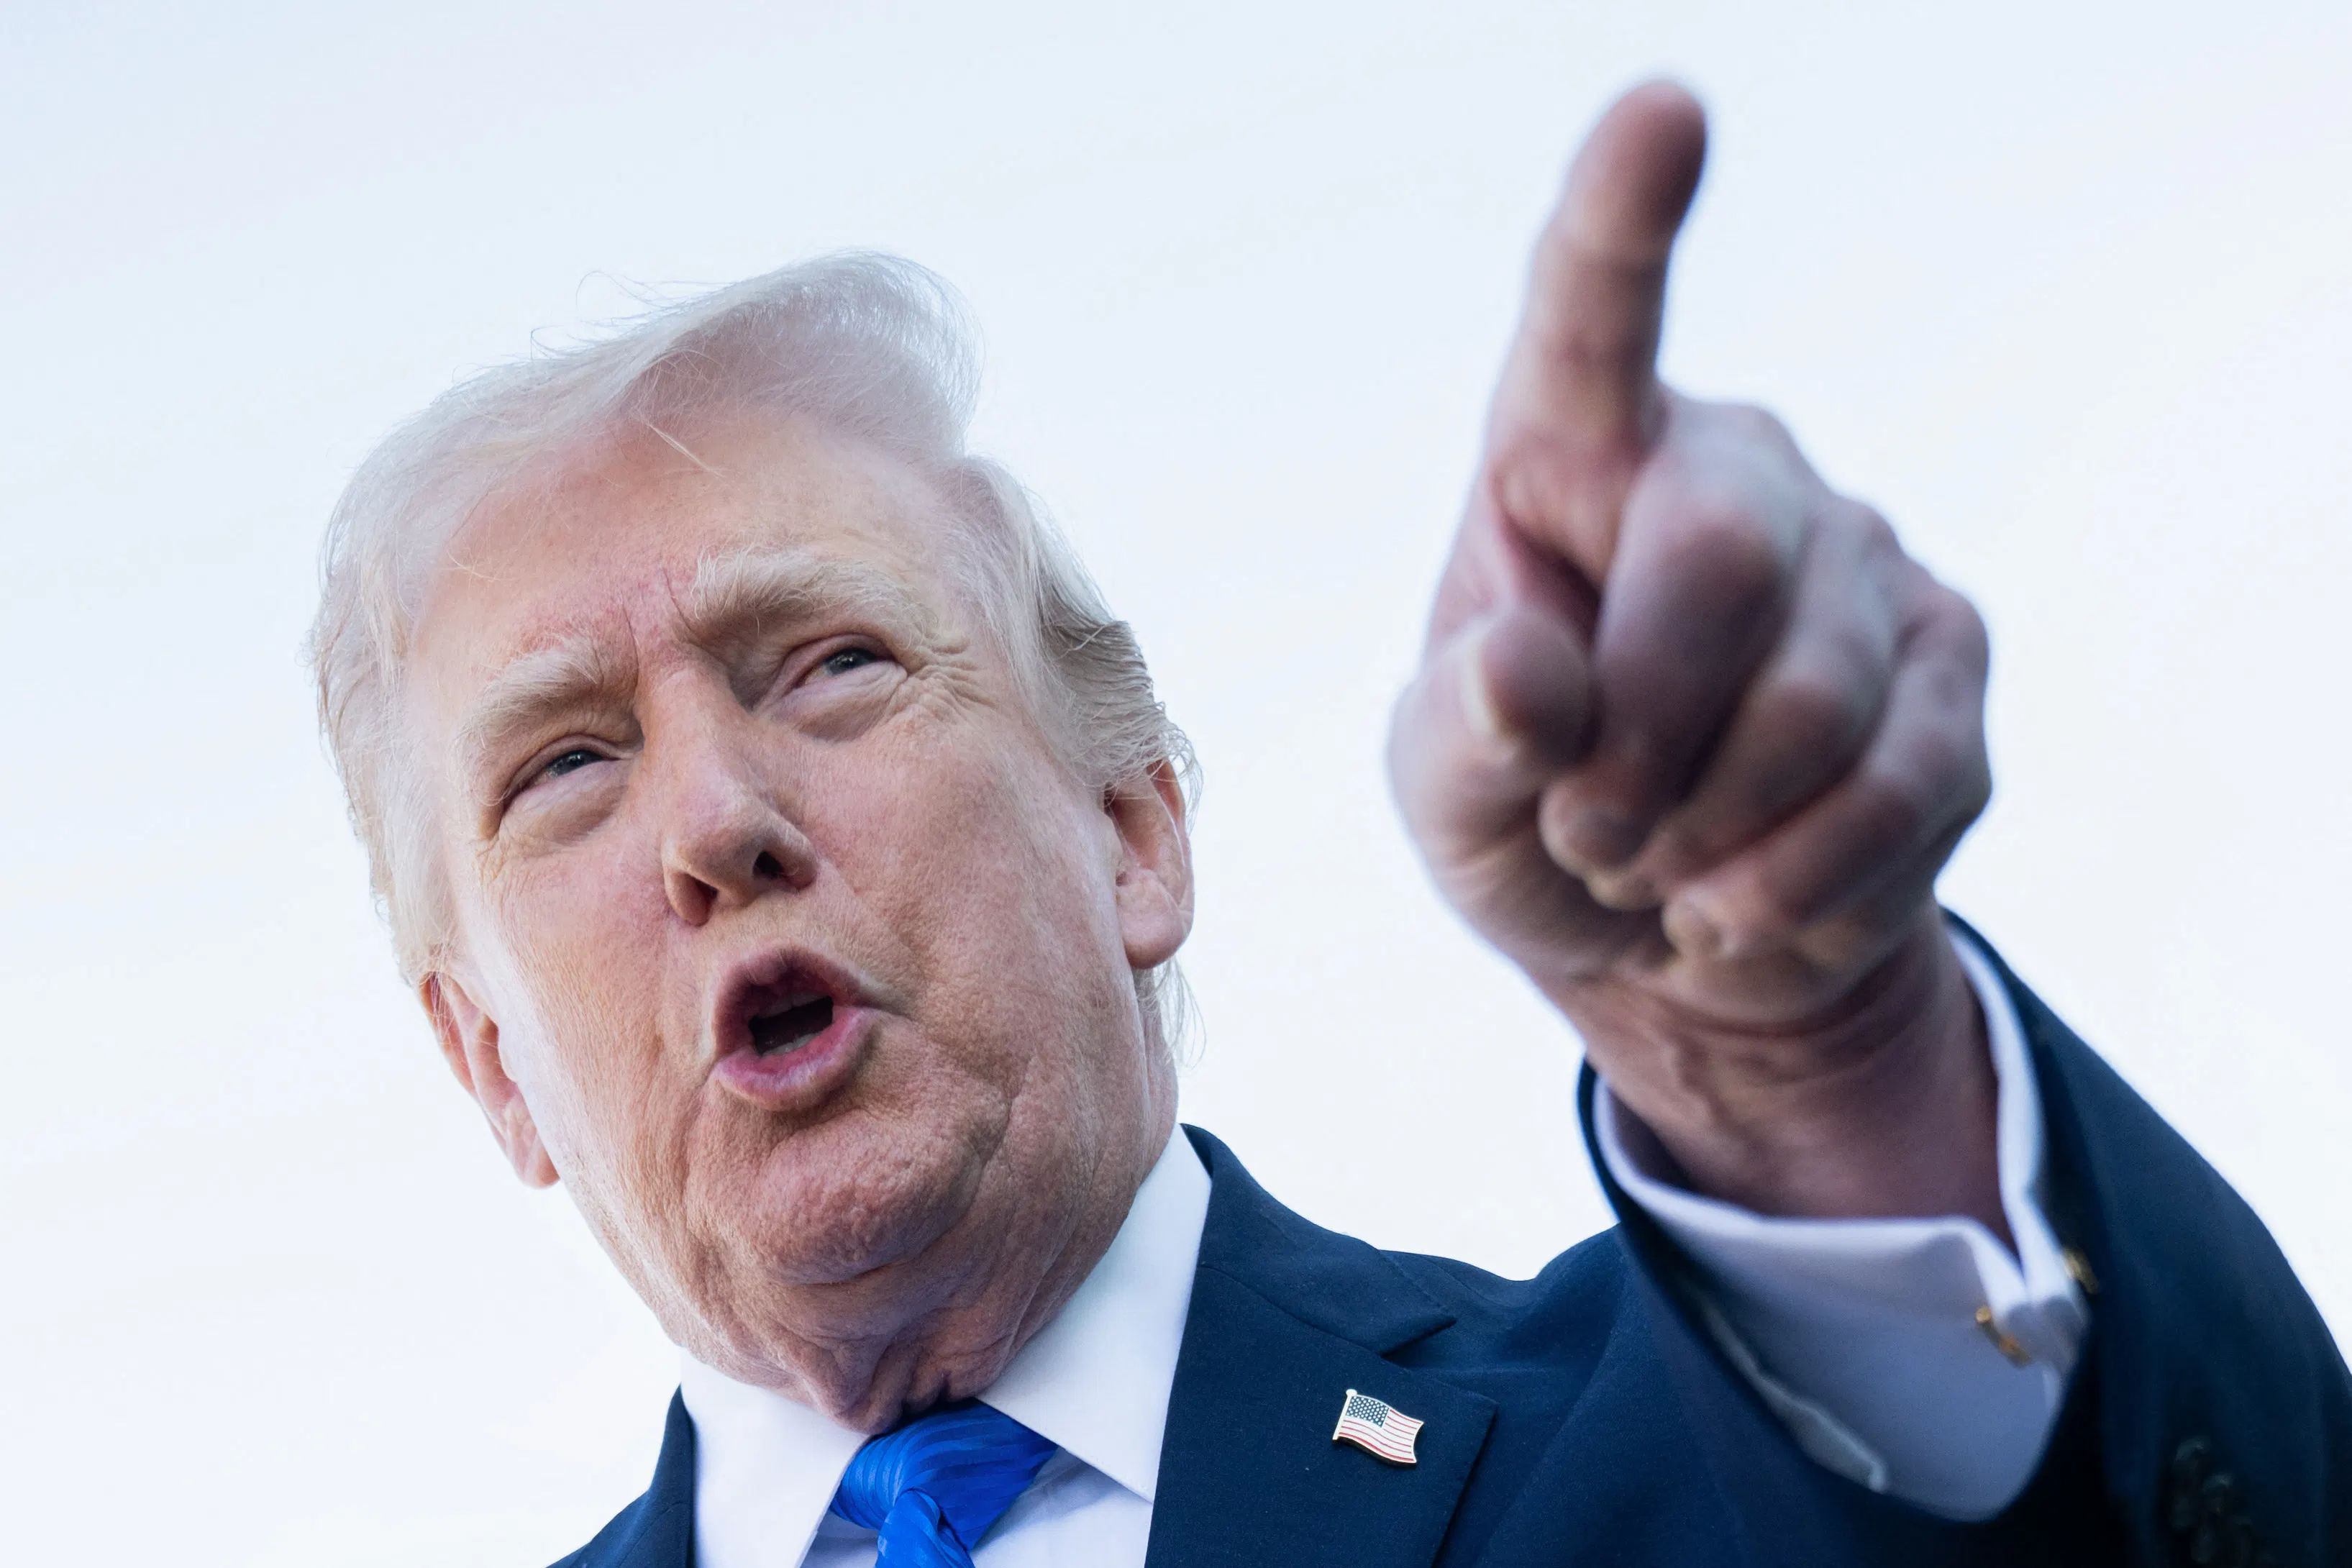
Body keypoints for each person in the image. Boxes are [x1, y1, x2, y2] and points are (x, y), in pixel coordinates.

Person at [306, 82, 2348, 1567]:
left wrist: (1822, 1062)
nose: (714, 820)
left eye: (826, 661)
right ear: (488, 1060)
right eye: (562, 764)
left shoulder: (1715, 1443)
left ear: (1133, 831)